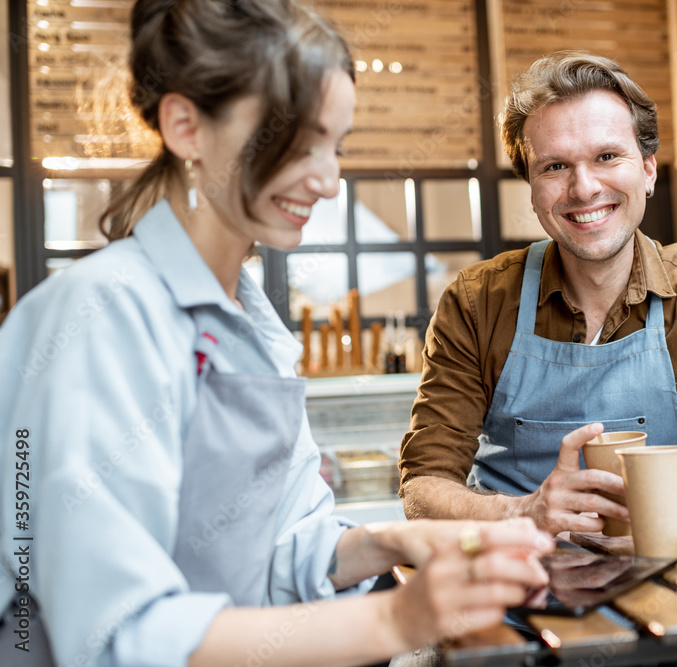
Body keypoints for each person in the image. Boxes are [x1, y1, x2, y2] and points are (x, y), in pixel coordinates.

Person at [0, 1, 553, 665]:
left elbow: (275, 549)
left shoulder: (252, 323)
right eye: (295, 139)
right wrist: (399, 618)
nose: (327, 178)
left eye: (336, 145)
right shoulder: (104, 314)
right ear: (185, 125)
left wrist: (396, 542)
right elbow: (119, 634)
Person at [399, 52, 677, 536]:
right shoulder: (477, 302)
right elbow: (424, 487)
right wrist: (523, 513)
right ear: (533, 189)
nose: (584, 189)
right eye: (555, 166)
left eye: (607, 156)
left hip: (646, 566)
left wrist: (649, 506)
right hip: (506, 577)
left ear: (648, 169)